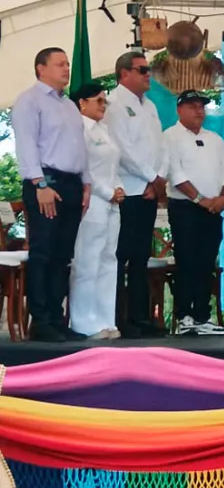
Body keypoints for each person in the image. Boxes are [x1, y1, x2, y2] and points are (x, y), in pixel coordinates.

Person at [11, 47, 92, 342]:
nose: (66, 69)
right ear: (40, 69)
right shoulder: (29, 101)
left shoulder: (69, 105)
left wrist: (86, 183)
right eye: (59, 64)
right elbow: (27, 145)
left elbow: (79, 148)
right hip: (46, 182)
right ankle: (41, 320)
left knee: (63, 256)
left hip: (71, 185)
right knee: (43, 254)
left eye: (68, 64)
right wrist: (39, 184)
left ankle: (57, 319)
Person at [105, 51, 168, 339]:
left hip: (148, 191)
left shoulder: (151, 106)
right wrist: (151, 177)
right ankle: (119, 317)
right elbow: (122, 150)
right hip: (127, 191)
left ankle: (141, 317)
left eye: (148, 70)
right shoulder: (114, 103)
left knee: (142, 256)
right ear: (123, 73)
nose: (147, 75)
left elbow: (161, 145)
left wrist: (158, 179)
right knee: (121, 257)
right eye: (142, 70)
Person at [162, 90, 224, 336]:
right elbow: (175, 173)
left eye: (201, 106)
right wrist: (200, 199)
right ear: (180, 110)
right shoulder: (169, 137)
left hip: (213, 209)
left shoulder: (214, 139)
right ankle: (184, 316)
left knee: (207, 263)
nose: (199, 111)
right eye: (192, 106)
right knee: (187, 261)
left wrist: (223, 197)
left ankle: (203, 315)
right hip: (185, 208)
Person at [69, 82, 125, 340]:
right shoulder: (79, 128)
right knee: (87, 261)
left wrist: (119, 188)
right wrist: (107, 191)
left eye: (105, 101)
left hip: (112, 202)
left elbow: (114, 166)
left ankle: (105, 319)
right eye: (98, 101)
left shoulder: (104, 130)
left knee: (108, 261)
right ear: (82, 103)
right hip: (91, 201)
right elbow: (84, 168)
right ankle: (83, 321)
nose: (104, 105)